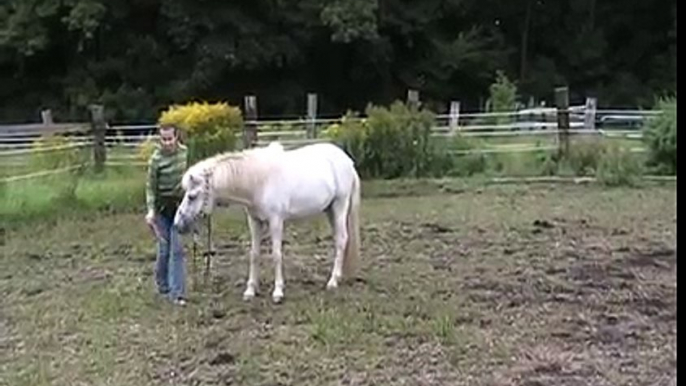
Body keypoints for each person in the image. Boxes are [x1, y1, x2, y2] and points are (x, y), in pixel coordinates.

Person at [145, 124, 189, 306]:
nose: (167, 143)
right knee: (164, 250)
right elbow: (150, 188)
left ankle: (176, 293)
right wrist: (150, 211)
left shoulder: (185, 154)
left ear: (176, 137)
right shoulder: (155, 160)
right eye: (163, 139)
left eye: (170, 139)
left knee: (177, 250)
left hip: (180, 208)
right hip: (162, 210)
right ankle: (162, 285)